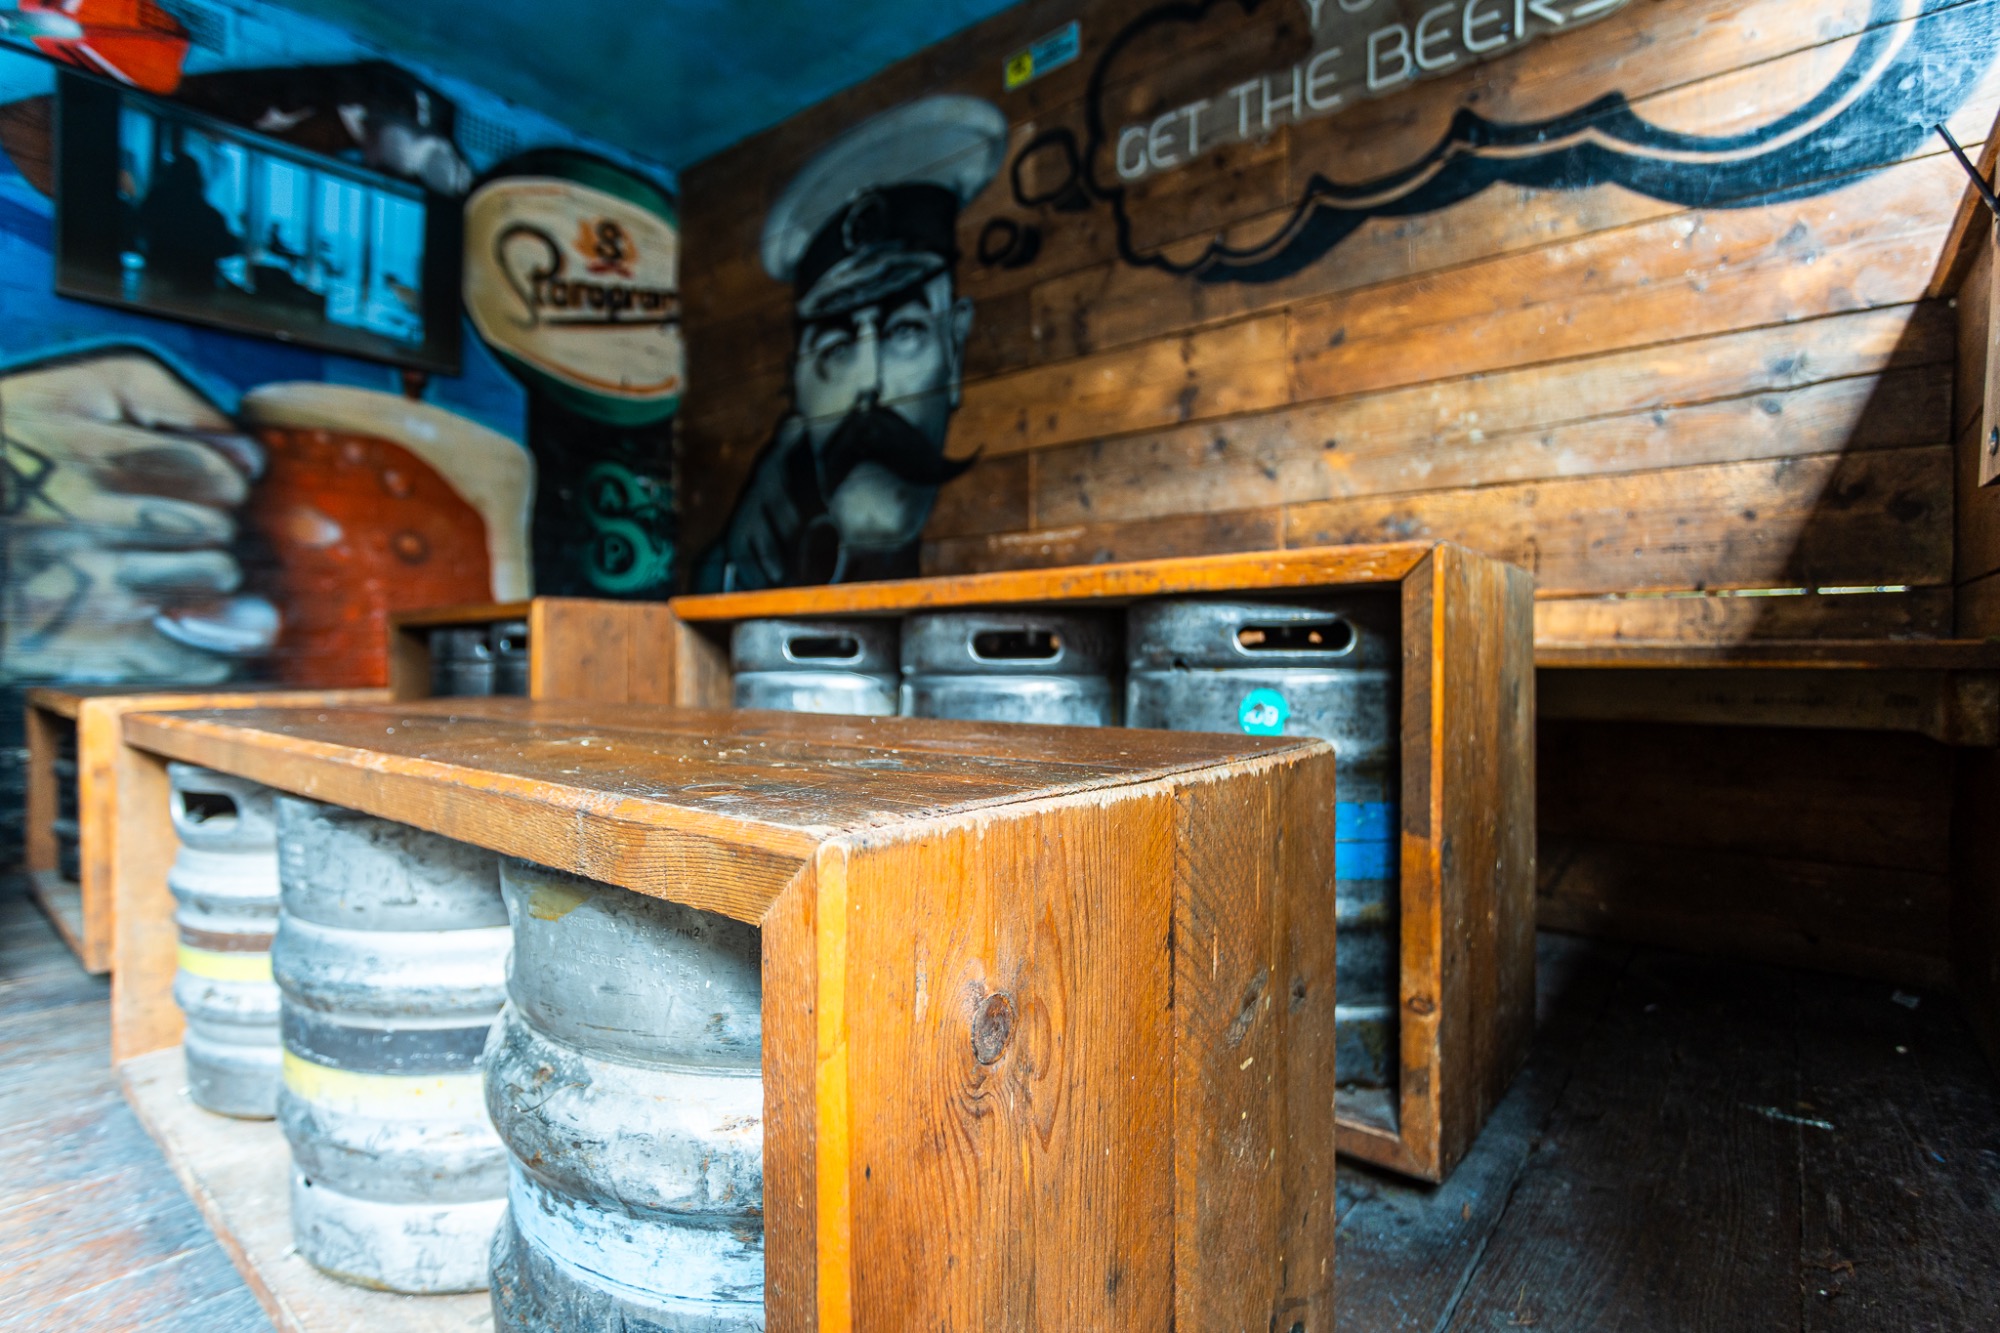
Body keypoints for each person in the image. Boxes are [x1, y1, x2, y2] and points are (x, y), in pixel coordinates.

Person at [694, 95, 1006, 591]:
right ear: (797, 384)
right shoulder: (760, 531)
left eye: (904, 333)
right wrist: (731, 569)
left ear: (954, 348)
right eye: (836, 350)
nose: (868, 384)